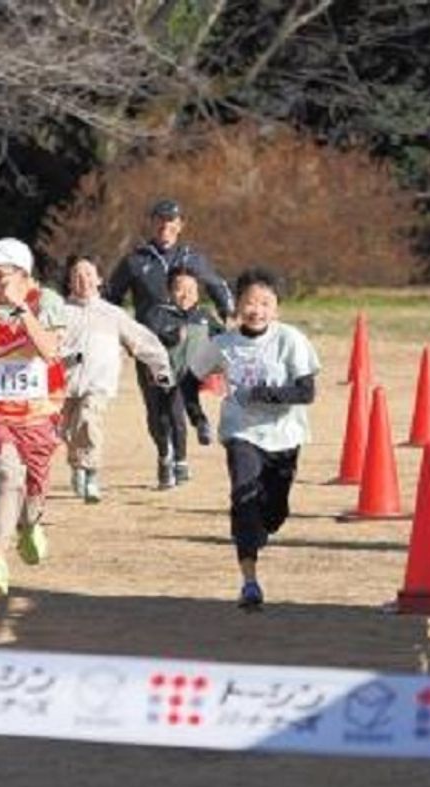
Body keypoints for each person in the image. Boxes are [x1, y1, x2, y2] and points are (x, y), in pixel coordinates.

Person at [184, 267, 319, 611]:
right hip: (241, 433)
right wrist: (198, 417)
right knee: (244, 500)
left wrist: (263, 393)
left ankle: (265, 524)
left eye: (264, 303)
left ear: (276, 309)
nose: (256, 310)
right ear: (236, 306)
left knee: (274, 513)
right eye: (248, 302)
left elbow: (306, 392)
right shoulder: (223, 344)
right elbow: (189, 380)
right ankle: (250, 582)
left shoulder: (290, 340)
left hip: (285, 436)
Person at [106, 198, 234, 489]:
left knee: (176, 402)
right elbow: (111, 299)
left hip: (185, 345)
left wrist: (228, 315)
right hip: (148, 345)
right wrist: (118, 336)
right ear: (152, 223)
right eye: (160, 220)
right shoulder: (136, 260)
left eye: (172, 221)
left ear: (180, 225)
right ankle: (164, 452)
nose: (166, 226)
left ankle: (181, 460)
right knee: (155, 411)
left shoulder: (193, 258)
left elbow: (217, 286)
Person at [0, 237, 68, 596]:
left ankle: (31, 523)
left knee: (34, 493)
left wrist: (21, 309)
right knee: (7, 473)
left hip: (39, 415)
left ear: (23, 275)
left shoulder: (49, 303)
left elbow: (49, 350)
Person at [61, 254, 173, 502]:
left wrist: (161, 368)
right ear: (69, 282)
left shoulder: (112, 314)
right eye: (77, 275)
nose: (83, 280)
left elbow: (142, 340)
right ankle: (77, 467)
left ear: (99, 279)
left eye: (88, 274)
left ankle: (90, 474)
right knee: (67, 431)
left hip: (99, 383)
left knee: (89, 420)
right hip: (63, 384)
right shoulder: (60, 312)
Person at [144, 264, 226, 467]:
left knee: (177, 409)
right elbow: (147, 341)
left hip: (189, 374)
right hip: (161, 374)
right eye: (180, 289)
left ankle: (182, 459)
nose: (186, 295)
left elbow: (224, 339)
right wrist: (171, 337)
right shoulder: (158, 314)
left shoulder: (204, 316)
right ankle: (165, 454)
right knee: (161, 418)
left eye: (192, 290)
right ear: (170, 291)